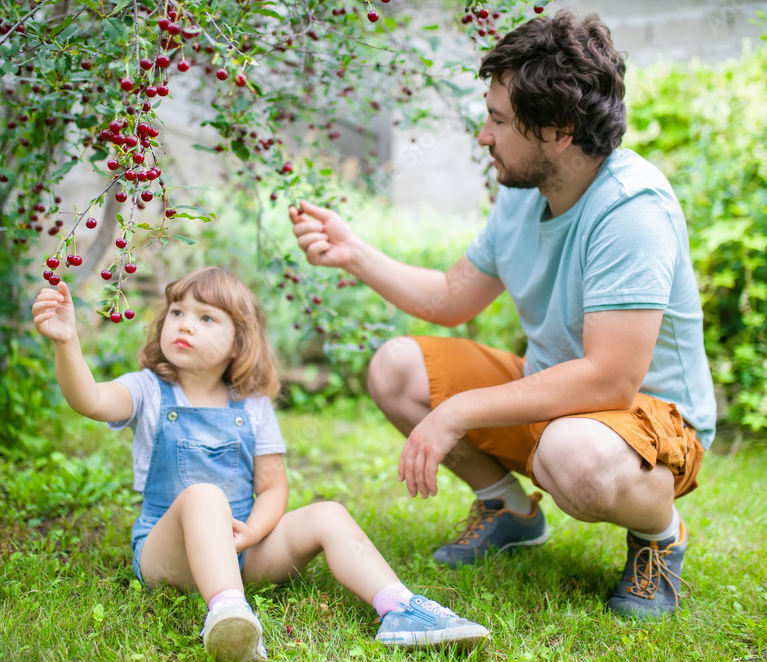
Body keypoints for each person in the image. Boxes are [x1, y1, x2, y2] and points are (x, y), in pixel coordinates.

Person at [288, 11, 716, 620]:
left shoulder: (631, 207)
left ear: (559, 130)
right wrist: (353, 254)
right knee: (396, 369)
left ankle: (660, 536)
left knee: (573, 456)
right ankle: (509, 510)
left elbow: (610, 380)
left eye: (498, 121)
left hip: (650, 423)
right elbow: (450, 297)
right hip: (559, 401)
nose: (484, 137)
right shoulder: (524, 193)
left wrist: (459, 413)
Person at [31, 267, 490, 661]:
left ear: (238, 342)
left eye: (205, 317)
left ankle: (399, 608)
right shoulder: (148, 390)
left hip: (241, 550)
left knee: (328, 512)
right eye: (176, 312)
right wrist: (67, 342)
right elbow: (89, 400)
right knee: (204, 496)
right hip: (165, 557)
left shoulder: (251, 406)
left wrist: (252, 533)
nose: (183, 325)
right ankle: (229, 612)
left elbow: (272, 488)